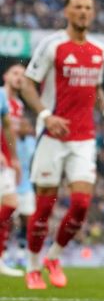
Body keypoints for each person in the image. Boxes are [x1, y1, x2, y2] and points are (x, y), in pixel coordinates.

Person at [19, 0, 104, 289]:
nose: (83, 12)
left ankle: (54, 256)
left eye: (88, 8)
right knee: (45, 206)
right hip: (52, 136)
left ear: (93, 13)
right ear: (66, 11)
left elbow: (97, 86)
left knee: (80, 204)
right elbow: (28, 83)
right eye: (77, 7)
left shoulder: (98, 50)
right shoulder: (52, 45)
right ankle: (32, 266)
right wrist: (45, 116)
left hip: (84, 137)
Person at [3, 64, 37, 264]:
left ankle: (7, 253)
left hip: (10, 165)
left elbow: (10, 134)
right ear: (5, 76)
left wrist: (13, 158)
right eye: (15, 73)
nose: (19, 78)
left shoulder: (18, 105)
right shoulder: (0, 96)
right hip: (3, 161)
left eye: (23, 76)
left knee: (11, 209)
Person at [0, 89, 21, 277]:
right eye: (15, 73)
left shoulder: (2, 98)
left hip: (4, 162)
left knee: (11, 204)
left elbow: (7, 127)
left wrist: (14, 157)